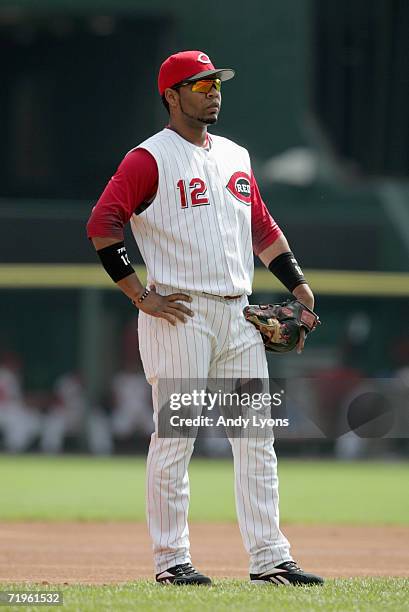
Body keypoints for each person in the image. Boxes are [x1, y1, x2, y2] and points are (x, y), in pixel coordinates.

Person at [87, 50, 323, 586]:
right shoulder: (148, 159)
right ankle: (171, 562)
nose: (213, 90)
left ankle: (271, 560)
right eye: (199, 84)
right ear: (171, 96)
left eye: (216, 82)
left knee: (256, 438)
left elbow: (262, 229)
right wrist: (140, 296)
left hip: (239, 316)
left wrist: (299, 285)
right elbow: (103, 224)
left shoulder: (236, 156)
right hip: (180, 315)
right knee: (177, 439)